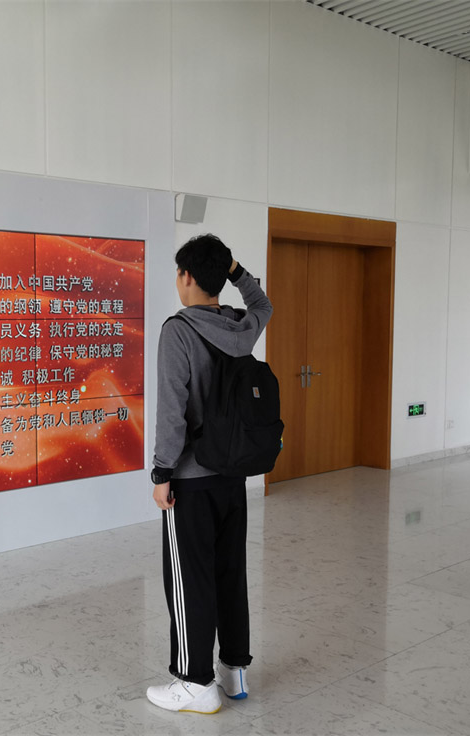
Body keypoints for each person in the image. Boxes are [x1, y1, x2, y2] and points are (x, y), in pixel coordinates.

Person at [146, 234, 272, 715]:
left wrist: (162, 472)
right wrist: (235, 270)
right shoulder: (240, 324)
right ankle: (233, 670)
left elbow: (171, 410)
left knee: (189, 579)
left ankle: (194, 681)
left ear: (186, 277)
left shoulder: (178, 331)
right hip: (233, 476)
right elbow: (263, 303)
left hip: (191, 480)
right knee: (228, 572)